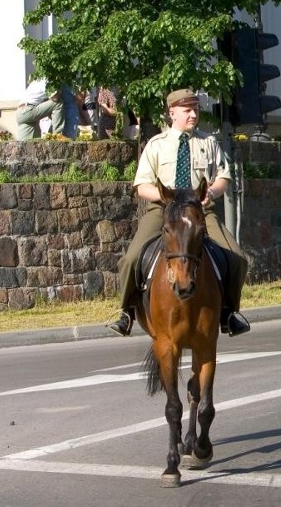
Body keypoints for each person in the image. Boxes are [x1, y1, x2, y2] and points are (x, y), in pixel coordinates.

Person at [106, 88, 251, 337]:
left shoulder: (208, 142)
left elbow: (223, 178)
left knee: (237, 258)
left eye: (195, 109)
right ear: (172, 113)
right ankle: (126, 311)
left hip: (200, 211)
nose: (193, 115)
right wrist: (165, 197)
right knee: (131, 259)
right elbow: (141, 186)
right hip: (164, 211)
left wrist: (211, 193)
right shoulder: (156, 145)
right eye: (187, 111)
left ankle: (229, 313)